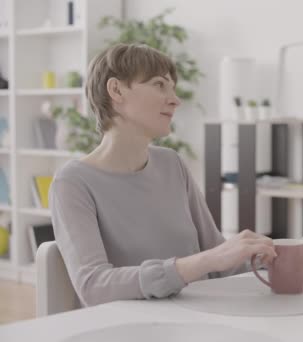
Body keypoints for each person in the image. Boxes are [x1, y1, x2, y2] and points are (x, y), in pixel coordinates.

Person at [50, 44, 276, 307]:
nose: (175, 99)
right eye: (159, 85)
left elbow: (221, 263)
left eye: (172, 88)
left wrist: (291, 251)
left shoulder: (172, 164)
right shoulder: (73, 183)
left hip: (199, 319)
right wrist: (202, 262)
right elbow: (94, 286)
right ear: (116, 90)